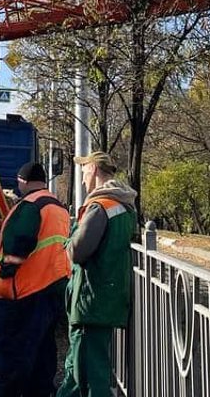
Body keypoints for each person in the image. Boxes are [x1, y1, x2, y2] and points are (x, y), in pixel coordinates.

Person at [57, 151, 137, 397]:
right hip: (107, 296)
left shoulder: (100, 206)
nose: (82, 179)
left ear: (93, 169)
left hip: (91, 299)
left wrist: (69, 241)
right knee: (81, 368)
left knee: (90, 373)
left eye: (83, 172)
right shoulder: (125, 207)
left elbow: (78, 251)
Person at [0, 161, 71, 397]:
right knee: (42, 353)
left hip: (22, 292)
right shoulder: (59, 208)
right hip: (50, 288)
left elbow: (19, 243)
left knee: (12, 354)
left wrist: (6, 269)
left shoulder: (29, 206)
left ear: (23, 181)